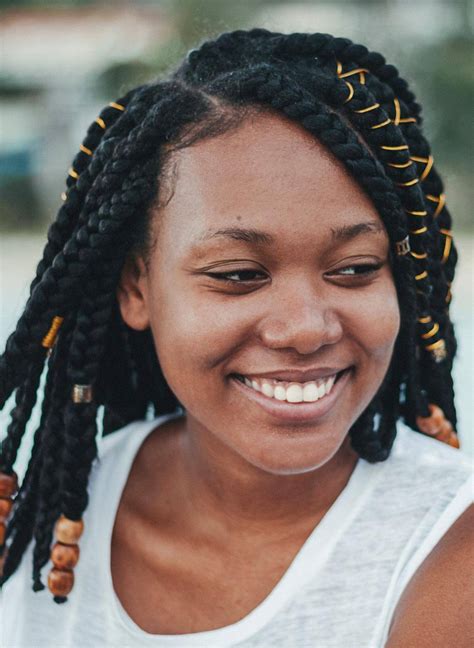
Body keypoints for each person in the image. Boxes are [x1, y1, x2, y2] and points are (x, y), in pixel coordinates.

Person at [0, 28, 472, 647]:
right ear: (136, 288)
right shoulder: (42, 513)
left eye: (355, 269)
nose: (305, 328)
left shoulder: (448, 552)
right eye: (240, 276)